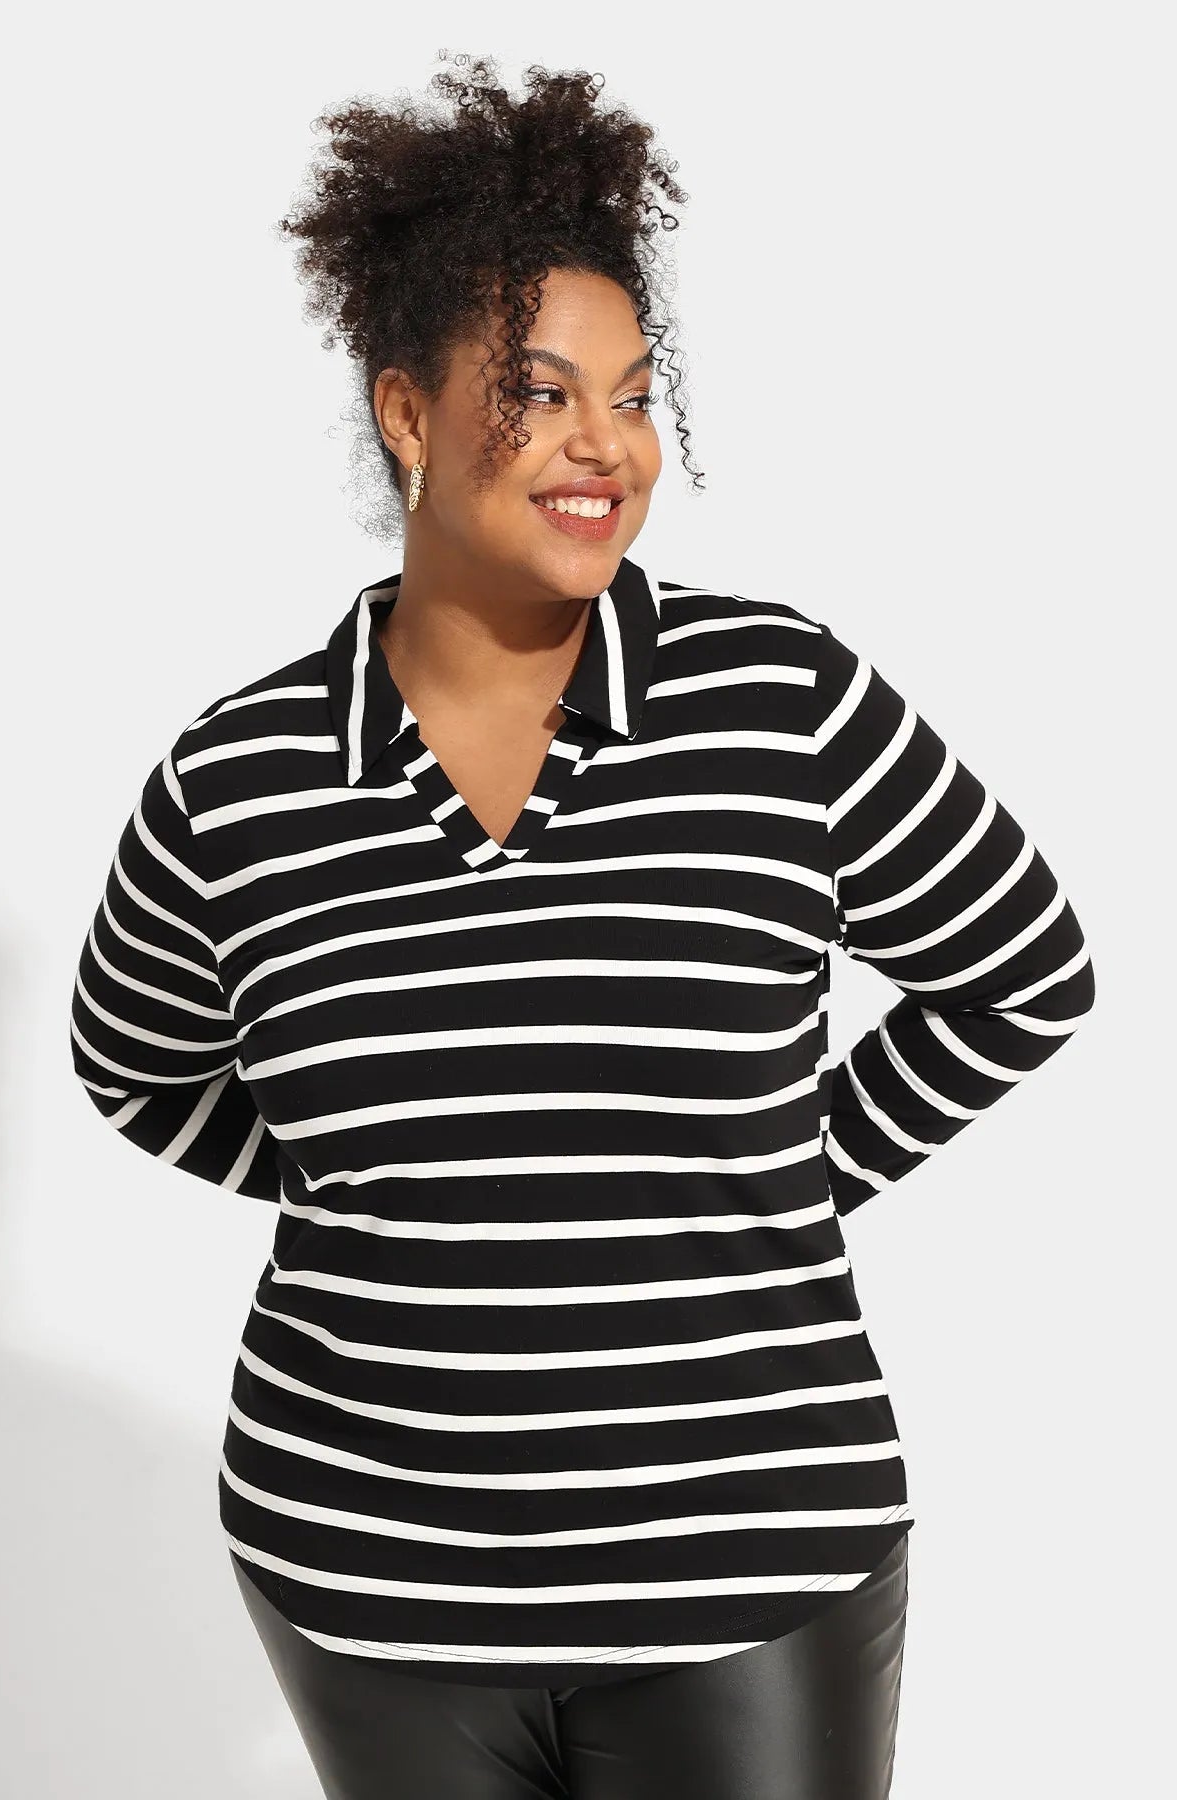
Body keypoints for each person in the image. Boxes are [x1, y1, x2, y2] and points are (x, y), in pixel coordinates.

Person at [68, 51, 1095, 1800]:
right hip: (367, 1577)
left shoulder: (777, 700)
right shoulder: (239, 776)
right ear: (407, 412)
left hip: (751, 1568)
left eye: (631, 396)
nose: (605, 449)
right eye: (537, 396)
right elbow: (137, 1070)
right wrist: (398, 1192)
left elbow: (1024, 974)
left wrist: (783, 1169)